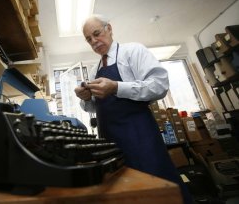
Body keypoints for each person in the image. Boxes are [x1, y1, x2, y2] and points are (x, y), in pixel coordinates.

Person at [74, 14, 193, 204]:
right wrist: (86, 99)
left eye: (97, 34)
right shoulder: (94, 69)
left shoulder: (133, 52)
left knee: (159, 191)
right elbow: (97, 107)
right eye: (89, 39)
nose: (94, 41)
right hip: (111, 146)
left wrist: (117, 87)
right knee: (128, 195)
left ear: (109, 29)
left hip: (141, 139)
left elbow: (159, 85)